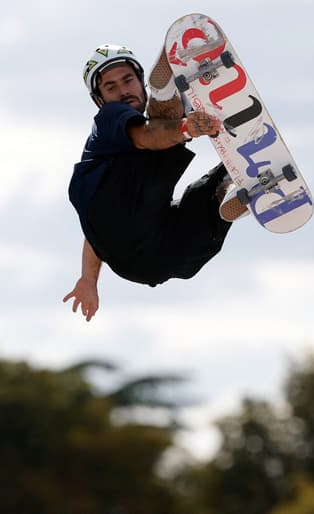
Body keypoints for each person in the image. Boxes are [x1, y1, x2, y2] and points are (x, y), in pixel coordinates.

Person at [64, 44, 245, 321]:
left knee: (202, 206)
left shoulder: (122, 205)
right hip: (113, 207)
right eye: (111, 87)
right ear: (100, 100)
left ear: (139, 81)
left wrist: (88, 279)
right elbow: (146, 136)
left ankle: (234, 190)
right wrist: (185, 128)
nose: (122, 91)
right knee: (164, 134)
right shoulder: (107, 120)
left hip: (146, 263)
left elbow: (97, 233)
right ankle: (164, 91)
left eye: (127, 80)